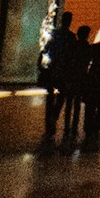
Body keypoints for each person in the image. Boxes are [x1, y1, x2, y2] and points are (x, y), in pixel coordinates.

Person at [38, 9, 75, 148]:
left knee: (50, 96)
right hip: (64, 70)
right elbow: (71, 55)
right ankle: (54, 116)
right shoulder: (71, 37)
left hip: (53, 68)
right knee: (62, 95)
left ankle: (50, 122)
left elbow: (46, 49)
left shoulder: (55, 35)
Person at [58, 14, 90, 144]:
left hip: (72, 77)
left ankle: (67, 126)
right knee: (76, 104)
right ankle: (74, 127)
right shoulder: (87, 48)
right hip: (80, 78)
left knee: (69, 102)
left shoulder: (74, 45)